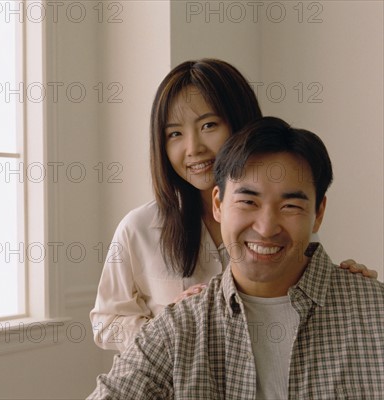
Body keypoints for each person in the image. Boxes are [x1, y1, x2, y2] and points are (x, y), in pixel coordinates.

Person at [90, 59, 377, 352]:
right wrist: (169, 326)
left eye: (209, 125)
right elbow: (106, 322)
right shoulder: (138, 228)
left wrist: (347, 285)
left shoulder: (279, 222)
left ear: (242, 125)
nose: (194, 148)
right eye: (174, 133)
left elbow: (305, 300)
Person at [87, 117, 384, 399]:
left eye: (290, 206)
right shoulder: (179, 328)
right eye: (248, 201)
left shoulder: (374, 312)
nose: (266, 228)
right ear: (218, 204)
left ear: (318, 214)